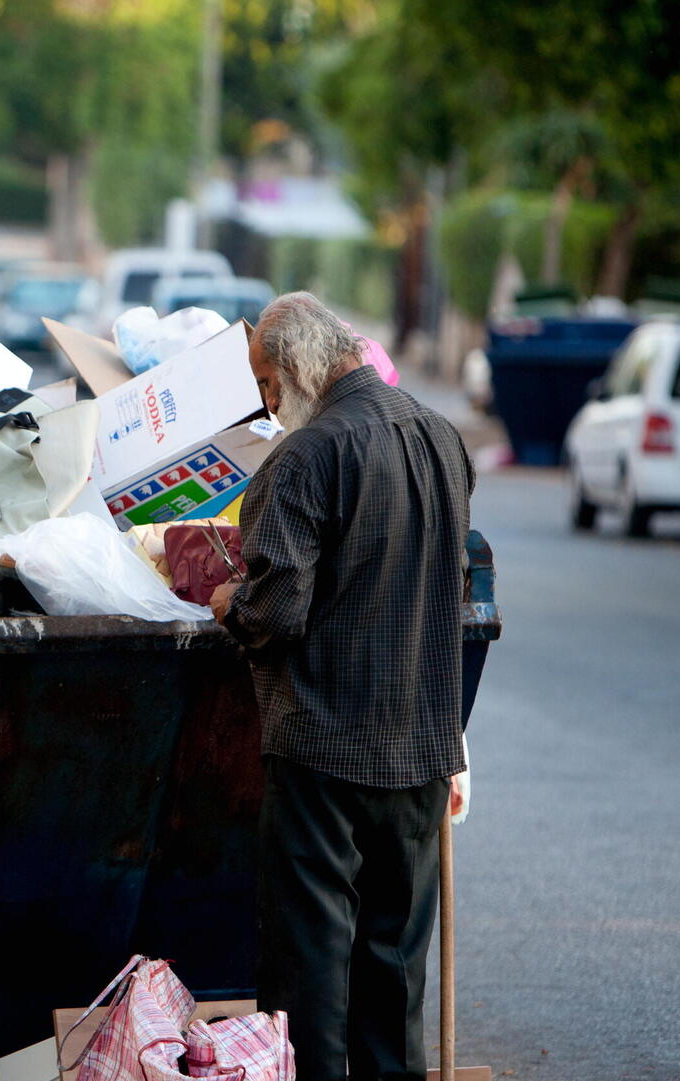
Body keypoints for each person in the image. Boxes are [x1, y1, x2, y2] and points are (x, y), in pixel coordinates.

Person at [210, 292, 474, 1081]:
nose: (266, 402)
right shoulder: (441, 436)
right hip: (422, 743)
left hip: (325, 748)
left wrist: (230, 599)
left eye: (264, 383)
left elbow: (275, 610)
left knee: (311, 966)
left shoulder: (305, 457)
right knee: (394, 964)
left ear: (294, 368)